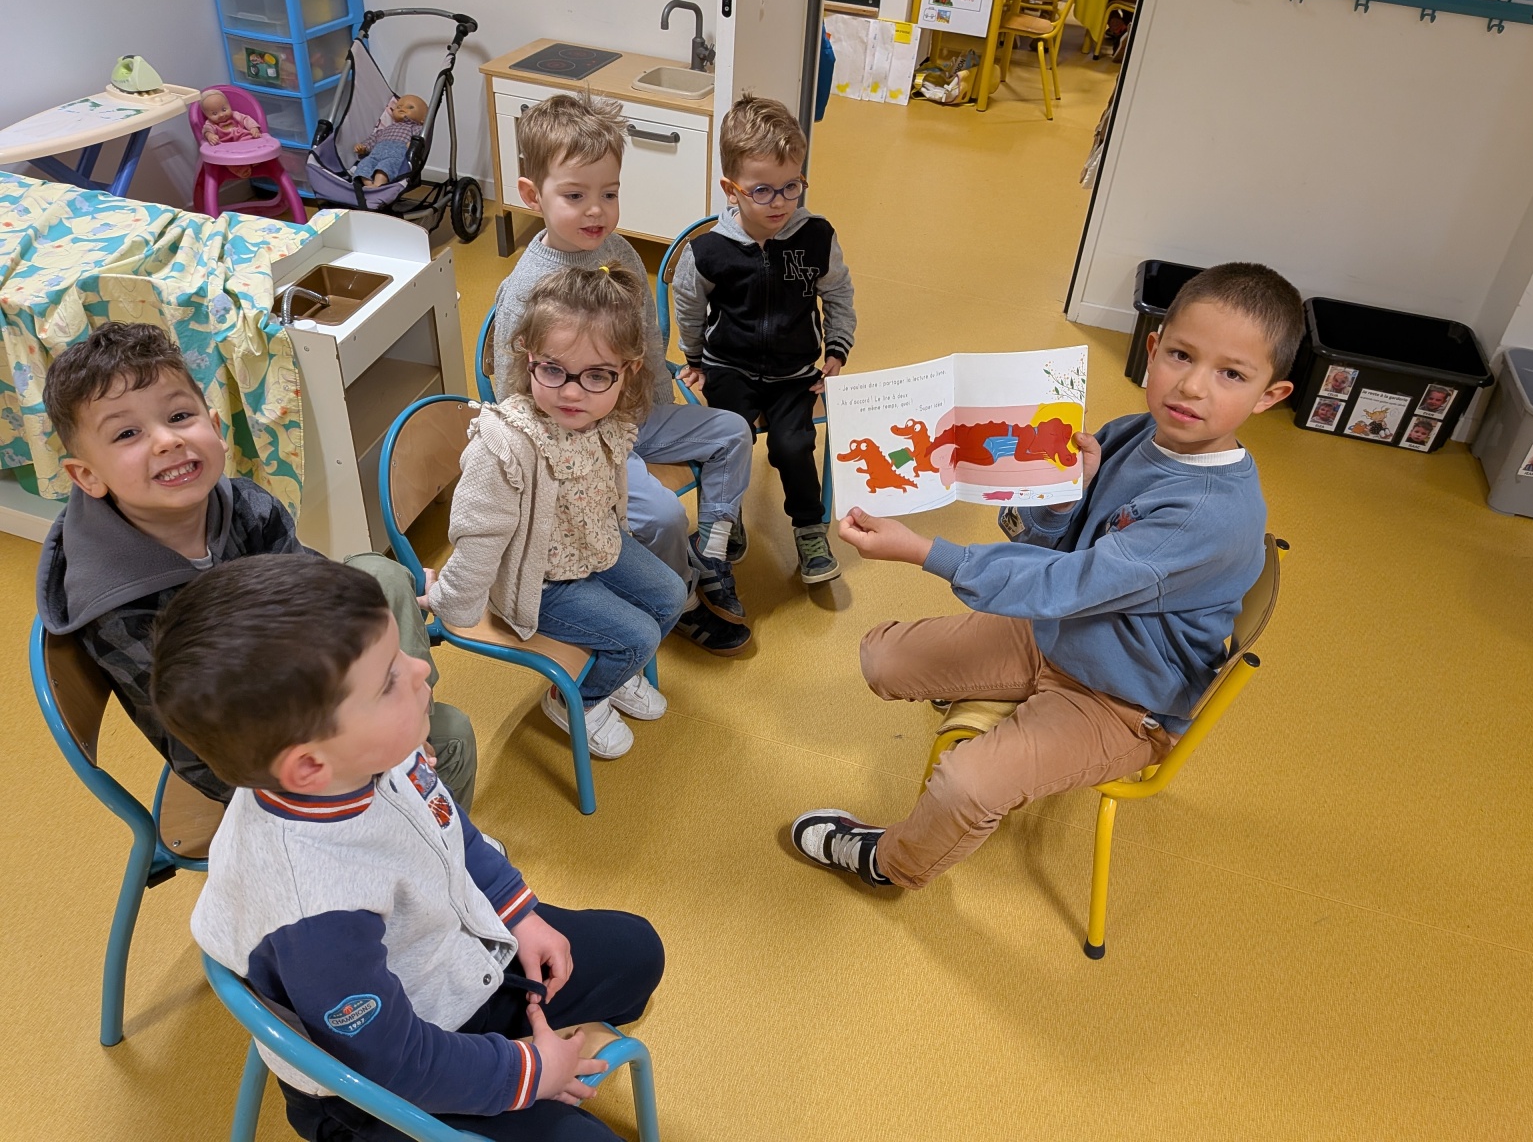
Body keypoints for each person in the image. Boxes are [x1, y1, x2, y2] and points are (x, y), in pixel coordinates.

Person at [789, 262, 1299, 890]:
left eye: (1232, 374)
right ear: (1152, 349)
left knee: (963, 786)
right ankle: (1005, 693)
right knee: (881, 658)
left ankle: (889, 865)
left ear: (1270, 395)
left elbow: (1065, 582)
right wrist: (1059, 501)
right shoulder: (1138, 432)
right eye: (1181, 355)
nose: (1192, 386)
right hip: (1058, 630)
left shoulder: (1208, 514)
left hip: (1122, 699)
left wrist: (926, 552)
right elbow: (1046, 544)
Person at [159, 554, 664, 1142]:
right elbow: (394, 1063)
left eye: (400, 654)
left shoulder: (366, 756)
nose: (420, 670)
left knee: (638, 953)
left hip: (452, 963)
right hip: (383, 1083)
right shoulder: (315, 914)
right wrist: (527, 1072)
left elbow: (447, 826)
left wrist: (517, 912)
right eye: (388, 681)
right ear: (309, 765)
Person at [35, 322, 478, 808]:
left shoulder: (245, 504)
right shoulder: (118, 607)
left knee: (381, 575)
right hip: (258, 759)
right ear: (87, 476)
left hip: (304, 672)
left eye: (180, 415)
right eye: (127, 433)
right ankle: (413, 785)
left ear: (216, 429)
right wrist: (367, 754)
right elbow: (207, 751)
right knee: (452, 736)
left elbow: (315, 594)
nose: (166, 440)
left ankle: (407, 717)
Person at [493, 93, 752, 657]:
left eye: (608, 194)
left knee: (733, 431)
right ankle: (683, 599)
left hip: (636, 412)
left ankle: (710, 552)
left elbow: (648, 340)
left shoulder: (621, 254)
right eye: (575, 196)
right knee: (663, 516)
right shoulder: (527, 287)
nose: (596, 211)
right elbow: (509, 386)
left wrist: (661, 402)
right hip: (582, 438)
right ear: (532, 196)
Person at [435, 267, 685, 760]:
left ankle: (612, 671)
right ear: (528, 358)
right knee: (638, 637)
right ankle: (579, 700)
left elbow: (607, 495)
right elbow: (479, 534)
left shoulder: (605, 417)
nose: (571, 392)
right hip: (541, 582)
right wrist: (452, 604)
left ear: (627, 372)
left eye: (597, 375)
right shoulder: (506, 445)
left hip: (595, 549)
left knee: (672, 595)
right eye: (552, 370)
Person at [672, 93, 858, 586]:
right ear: (730, 190)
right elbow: (688, 305)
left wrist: (837, 349)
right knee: (726, 439)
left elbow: (838, 293)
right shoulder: (707, 251)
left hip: (795, 373)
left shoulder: (817, 236)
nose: (779, 202)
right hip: (728, 367)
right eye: (762, 191)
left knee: (795, 446)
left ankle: (809, 527)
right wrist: (694, 358)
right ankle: (724, 516)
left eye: (791, 186)